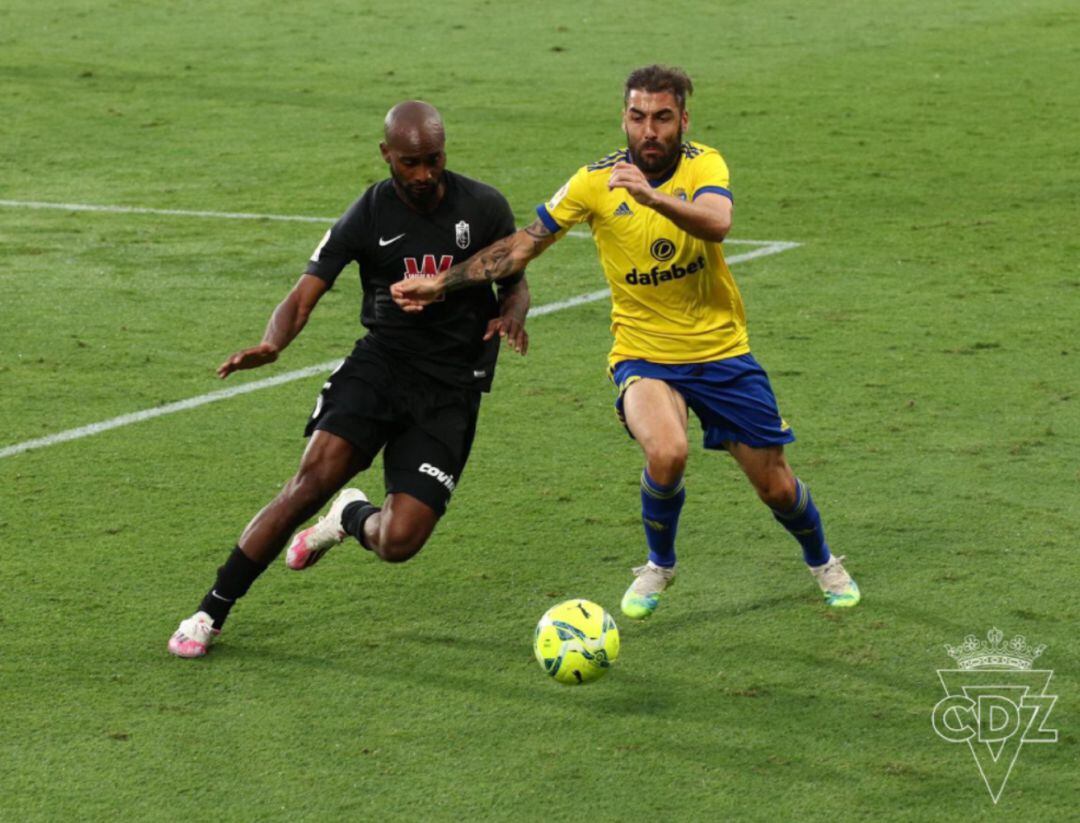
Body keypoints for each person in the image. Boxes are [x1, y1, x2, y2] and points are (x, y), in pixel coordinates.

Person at [391, 66, 859, 619]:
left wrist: (653, 199)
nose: (650, 131)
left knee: (776, 488)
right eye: (638, 117)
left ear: (683, 119)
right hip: (642, 353)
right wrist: (439, 283)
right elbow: (519, 248)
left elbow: (718, 222)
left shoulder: (704, 164)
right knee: (667, 450)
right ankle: (659, 565)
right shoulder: (594, 181)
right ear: (625, 119)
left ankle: (822, 560)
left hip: (720, 352)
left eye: (662, 118)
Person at [168, 101, 530, 657]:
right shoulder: (367, 214)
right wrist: (273, 343)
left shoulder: (482, 206)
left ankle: (348, 517)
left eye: (433, 160)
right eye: (411, 163)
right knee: (306, 485)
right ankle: (210, 611)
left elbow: (513, 277)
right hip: (380, 368)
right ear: (386, 155)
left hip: (450, 390)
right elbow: (306, 290)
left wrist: (513, 312)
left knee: (400, 542)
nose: (425, 174)